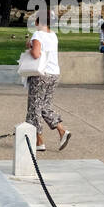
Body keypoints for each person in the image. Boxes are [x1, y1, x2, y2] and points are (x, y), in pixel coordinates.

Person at [25, 10, 71, 151]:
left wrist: (30, 45)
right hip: (54, 74)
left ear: (39, 22)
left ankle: (39, 142)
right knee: (45, 106)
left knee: (34, 108)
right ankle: (62, 130)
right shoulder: (53, 35)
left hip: (41, 75)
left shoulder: (37, 34)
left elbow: (36, 54)